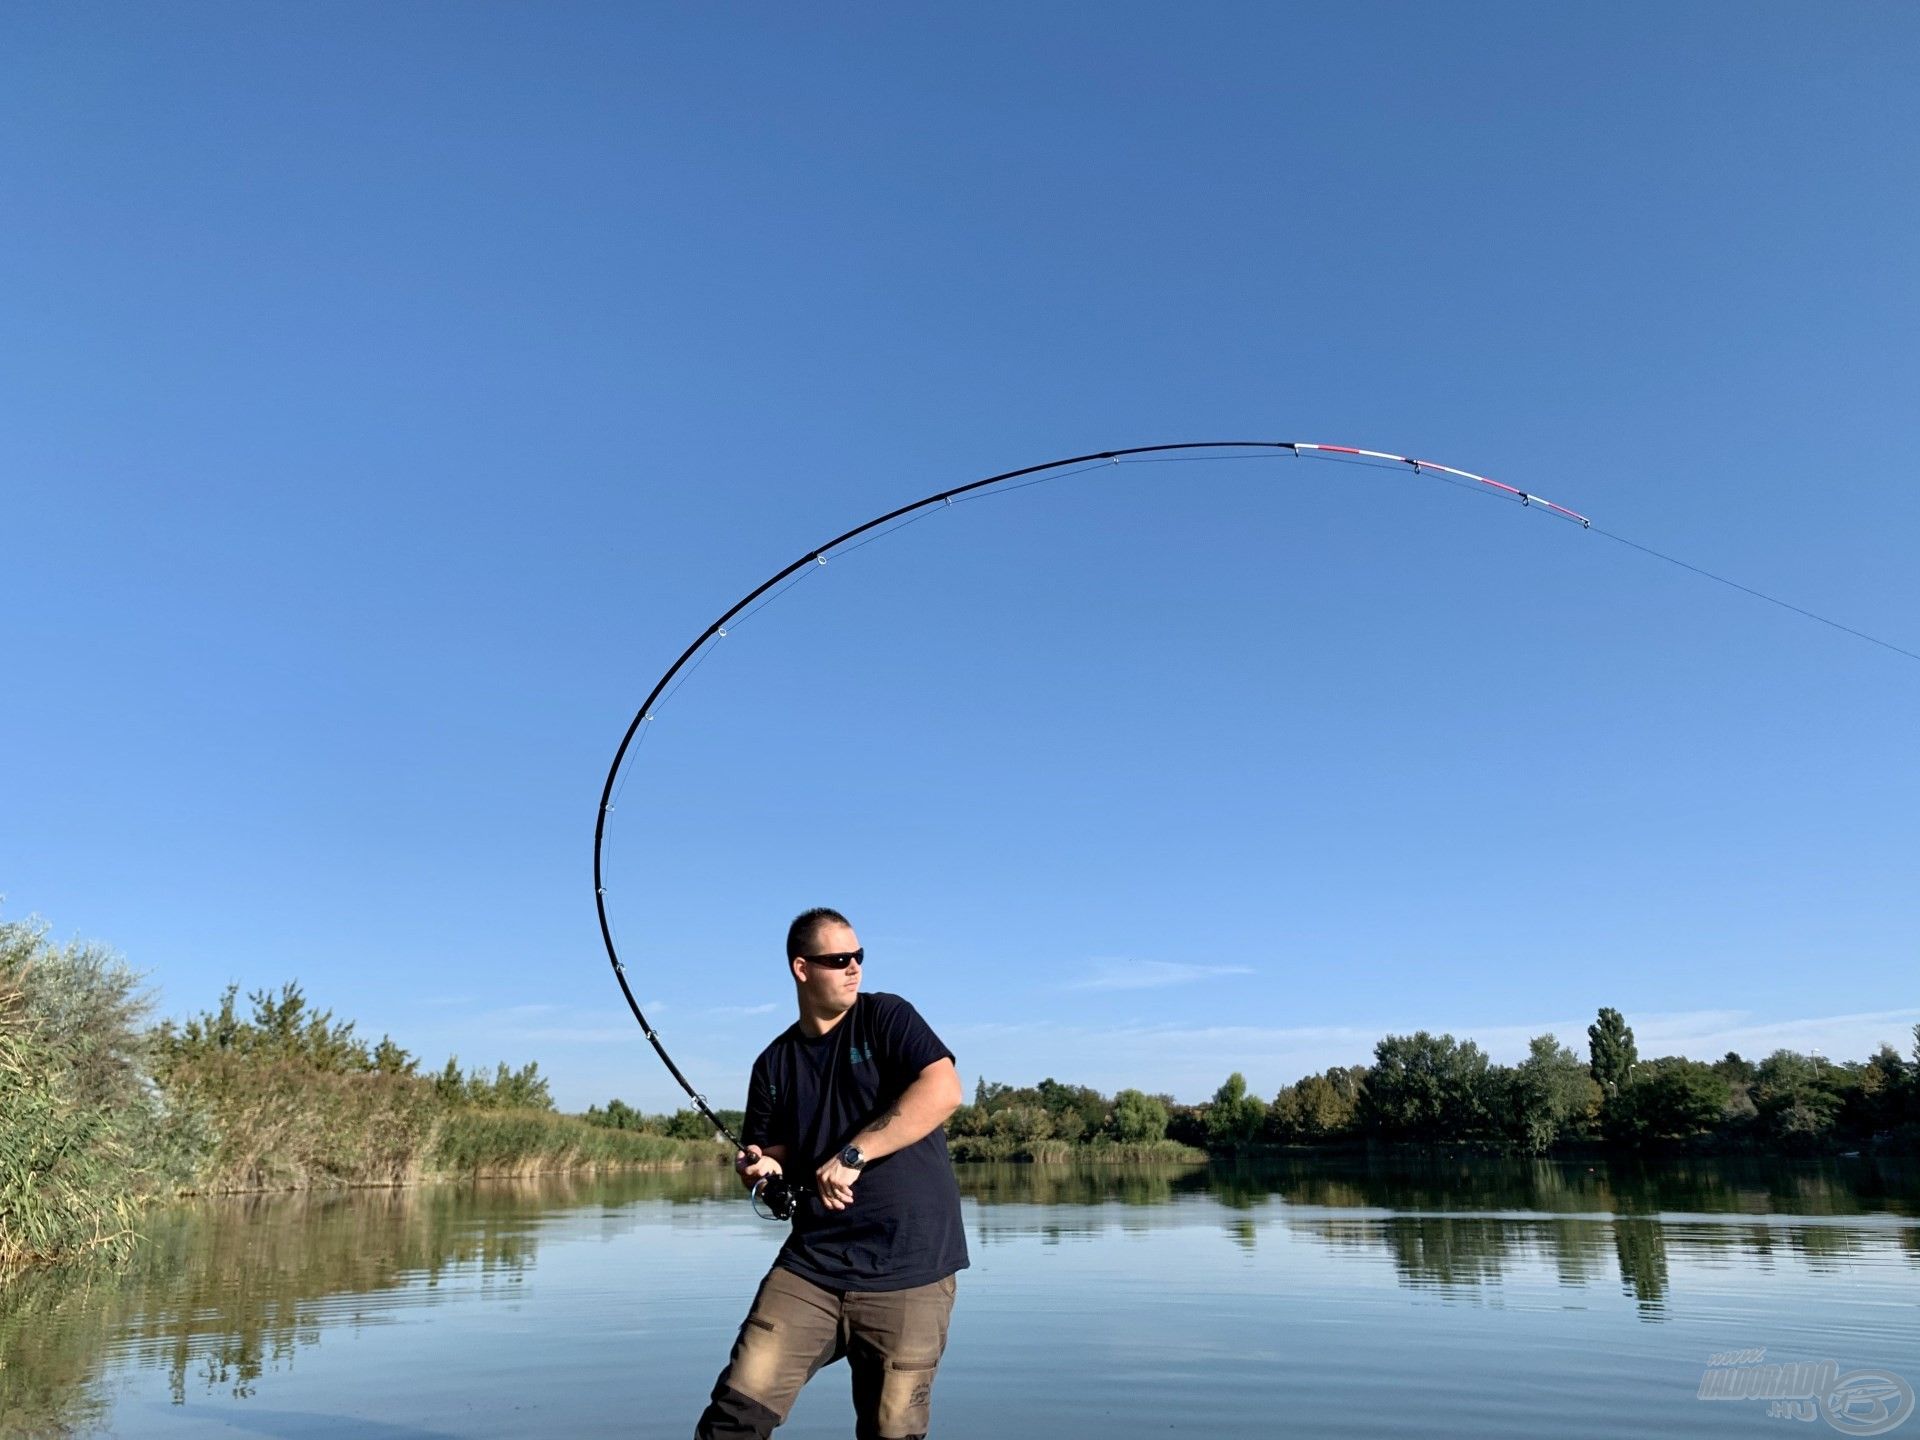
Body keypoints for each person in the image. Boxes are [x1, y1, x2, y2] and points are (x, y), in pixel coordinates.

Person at [694, 907, 968, 1440]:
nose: (854, 968)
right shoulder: (773, 1063)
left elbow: (944, 1090)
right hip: (812, 1268)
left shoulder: (887, 1017)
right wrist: (760, 1168)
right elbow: (769, 1154)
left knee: (893, 1432)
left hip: (910, 1268)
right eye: (838, 959)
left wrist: (854, 1154)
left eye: (859, 956)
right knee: (733, 1416)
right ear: (802, 968)